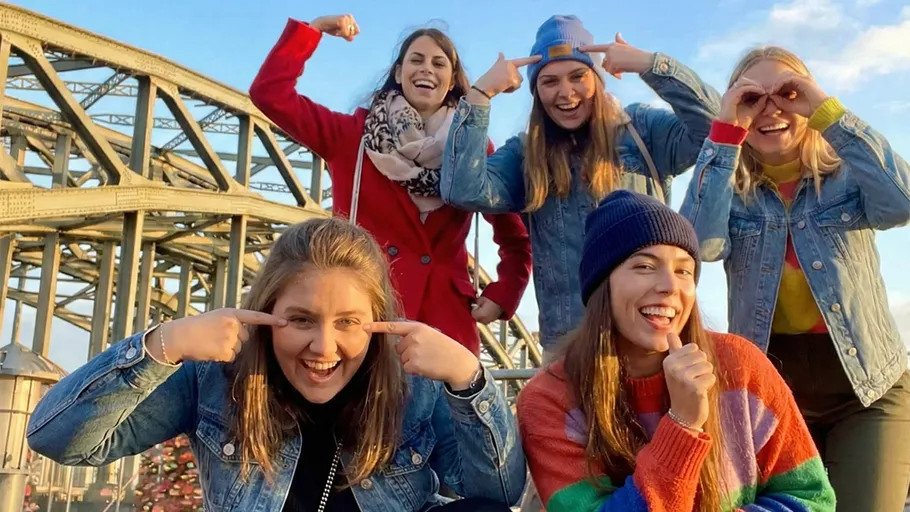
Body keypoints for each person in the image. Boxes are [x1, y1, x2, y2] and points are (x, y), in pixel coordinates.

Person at [26, 218, 527, 511]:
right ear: (265, 314)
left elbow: (496, 495)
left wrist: (468, 378)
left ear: (378, 322)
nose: (323, 346)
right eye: (301, 319)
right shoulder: (216, 380)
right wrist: (164, 343)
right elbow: (58, 439)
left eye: (349, 322)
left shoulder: (414, 385)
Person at [679, 46, 910, 511]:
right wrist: (724, 134)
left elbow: (901, 201)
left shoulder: (846, 178)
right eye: (752, 99)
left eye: (787, 92)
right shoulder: (732, 195)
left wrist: (828, 112)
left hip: (867, 390)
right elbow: (697, 246)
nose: (771, 110)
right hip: (771, 399)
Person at [517, 190, 836, 511]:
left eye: (684, 270)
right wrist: (682, 426)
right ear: (602, 285)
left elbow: (812, 499)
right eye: (644, 266)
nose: (670, 286)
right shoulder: (549, 401)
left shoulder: (741, 366)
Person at [249, 13, 532, 357]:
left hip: (446, 326)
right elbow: (269, 94)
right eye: (416, 59)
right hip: (365, 316)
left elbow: (516, 240)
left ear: (452, 81)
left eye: (439, 63)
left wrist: (502, 295)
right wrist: (315, 30)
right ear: (399, 74)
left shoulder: (473, 148)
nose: (427, 68)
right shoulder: (350, 136)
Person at [439, 14, 721, 354]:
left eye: (578, 76)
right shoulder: (525, 155)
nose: (565, 92)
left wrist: (650, 64)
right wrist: (481, 93)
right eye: (549, 82)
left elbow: (717, 129)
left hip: (649, 340)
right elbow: (461, 188)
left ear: (598, 80)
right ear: (536, 92)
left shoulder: (642, 130)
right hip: (569, 349)